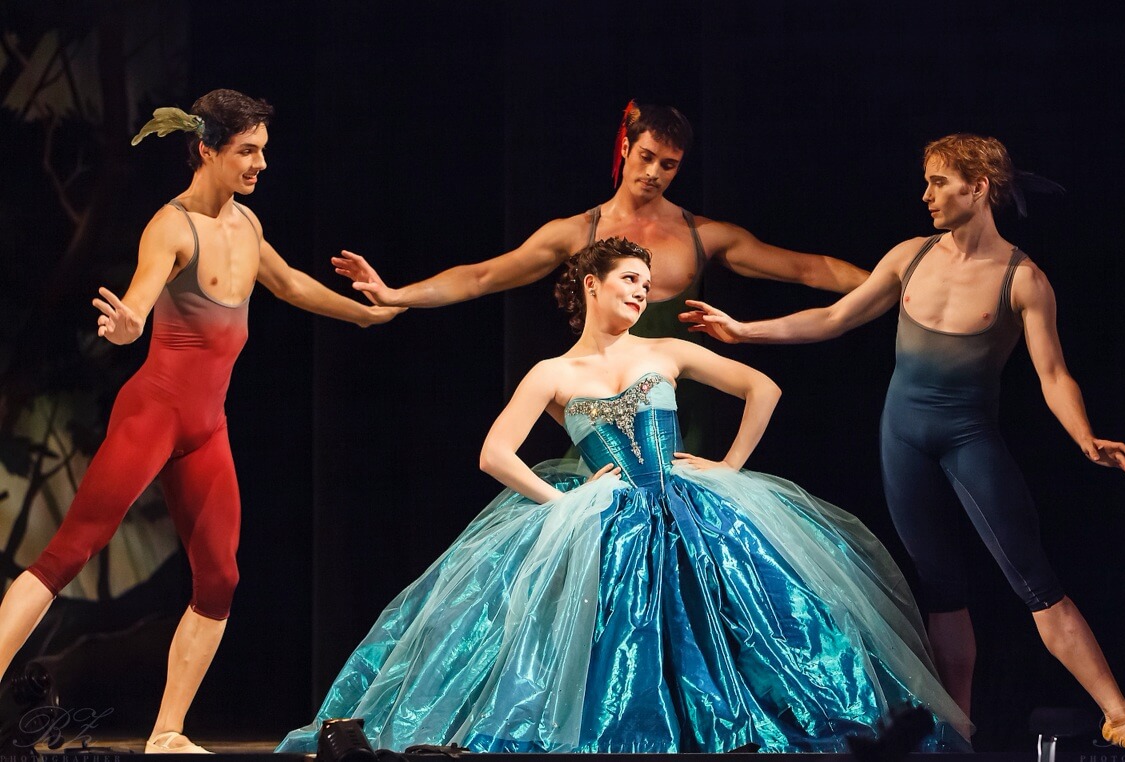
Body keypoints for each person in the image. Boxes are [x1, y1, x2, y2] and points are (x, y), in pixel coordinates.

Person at [278, 237, 969, 754]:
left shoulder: (664, 351)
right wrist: (562, 503)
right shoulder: (553, 371)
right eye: (630, 280)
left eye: (647, 282)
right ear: (590, 284)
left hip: (685, 499)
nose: (643, 291)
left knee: (745, 623)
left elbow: (765, 388)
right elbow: (494, 453)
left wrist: (728, 464)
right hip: (600, 515)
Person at [680, 133, 1125, 752]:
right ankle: (957, 730)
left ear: (978, 188)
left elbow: (1053, 374)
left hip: (968, 439)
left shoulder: (1023, 279)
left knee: (1035, 582)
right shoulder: (909, 256)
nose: (926, 194)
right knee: (940, 589)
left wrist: (1084, 436)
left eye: (938, 182)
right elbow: (835, 317)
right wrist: (745, 331)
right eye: (927, 180)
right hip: (901, 438)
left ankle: (1120, 717)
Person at [0, 89, 398, 754]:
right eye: (247, 151)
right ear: (207, 150)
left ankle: (167, 733)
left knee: (220, 580)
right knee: (66, 554)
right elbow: (136, 304)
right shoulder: (171, 227)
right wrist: (127, 327)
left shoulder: (246, 226)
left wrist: (367, 312)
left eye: (264, 151)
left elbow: (293, 284)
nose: (260, 164)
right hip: (153, 415)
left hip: (205, 429)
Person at [329, 101, 868, 449]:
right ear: (626, 148)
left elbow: (807, 267)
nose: (654, 173)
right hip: (600, 411)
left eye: (670, 165)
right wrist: (398, 293)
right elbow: (482, 277)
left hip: (684, 408)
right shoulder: (576, 232)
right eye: (648, 156)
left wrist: (891, 283)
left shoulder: (703, 234)